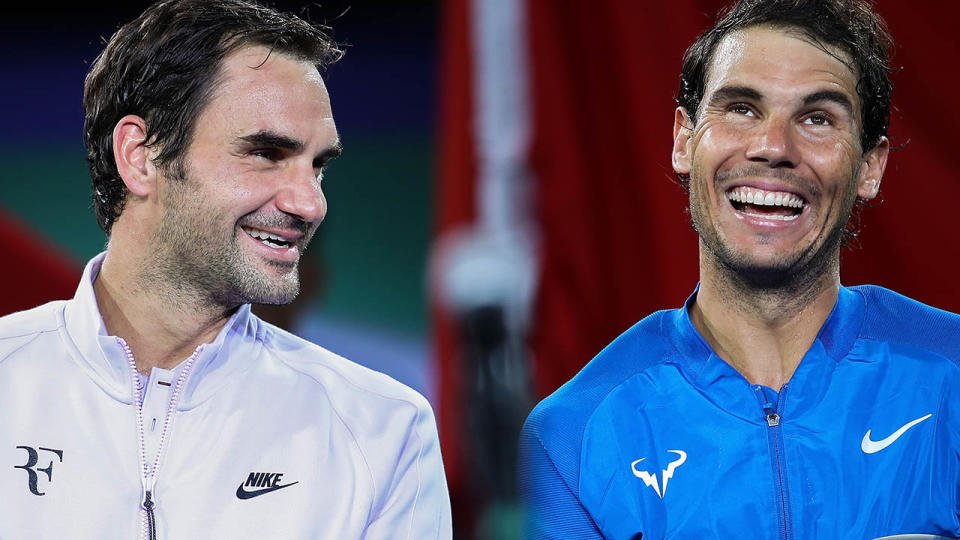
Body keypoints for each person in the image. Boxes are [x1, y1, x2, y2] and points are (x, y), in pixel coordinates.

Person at [0, 1, 451, 538]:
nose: (310, 204)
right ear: (140, 156)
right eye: (265, 152)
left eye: (318, 166)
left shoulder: (384, 428)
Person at [519, 0, 960, 538]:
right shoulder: (573, 435)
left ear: (870, 166)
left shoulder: (950, 377)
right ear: (684, 140)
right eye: (741, 108)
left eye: (817, 118)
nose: (773, 147)